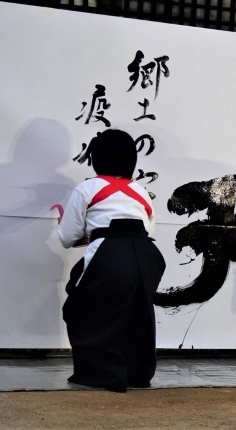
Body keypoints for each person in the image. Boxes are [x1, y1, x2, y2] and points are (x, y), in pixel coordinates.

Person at [58, 129, 166, 392]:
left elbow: (67, 236)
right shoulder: (141, 191)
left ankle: (103, 374)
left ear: (96, 157)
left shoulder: (87, 187)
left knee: (86, 309)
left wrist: (92, 234)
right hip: (147, 255)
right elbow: (148, 229)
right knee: (138, 312)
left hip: (108, 253)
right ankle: (137, 374)